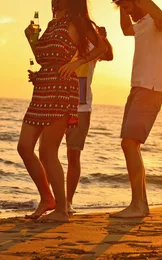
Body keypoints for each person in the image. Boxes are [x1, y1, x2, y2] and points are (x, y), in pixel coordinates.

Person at [19, 0, 107, 222]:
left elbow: (103, 47)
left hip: (62, 90)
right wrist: (32, 40)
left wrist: (77, 62)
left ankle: (61, 210)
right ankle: (48, 198)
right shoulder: (51, 23)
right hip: (43, 88)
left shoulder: (78, 22)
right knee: (24, 147)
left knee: (48, 151)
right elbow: (42, 58)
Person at [110, 0, 162, 218]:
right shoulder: (141, 24)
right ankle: (140, 205)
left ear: (139, 1)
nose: (126, 13)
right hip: (137, 89)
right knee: (130, 145)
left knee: (129, 143)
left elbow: (159, 16)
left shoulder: (159, 21)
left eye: (128, 8)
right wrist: (120, 3)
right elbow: (126, 30)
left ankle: (138, 205)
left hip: (150, 89)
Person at [66, 26, 113, 214]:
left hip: (81, 108)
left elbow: (108, 55)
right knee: (47, 152)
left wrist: (102, 37)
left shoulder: (92, 45)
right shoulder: (63, 40)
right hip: (58, 103)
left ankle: (68, 202)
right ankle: (52, 198)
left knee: (73, 155)